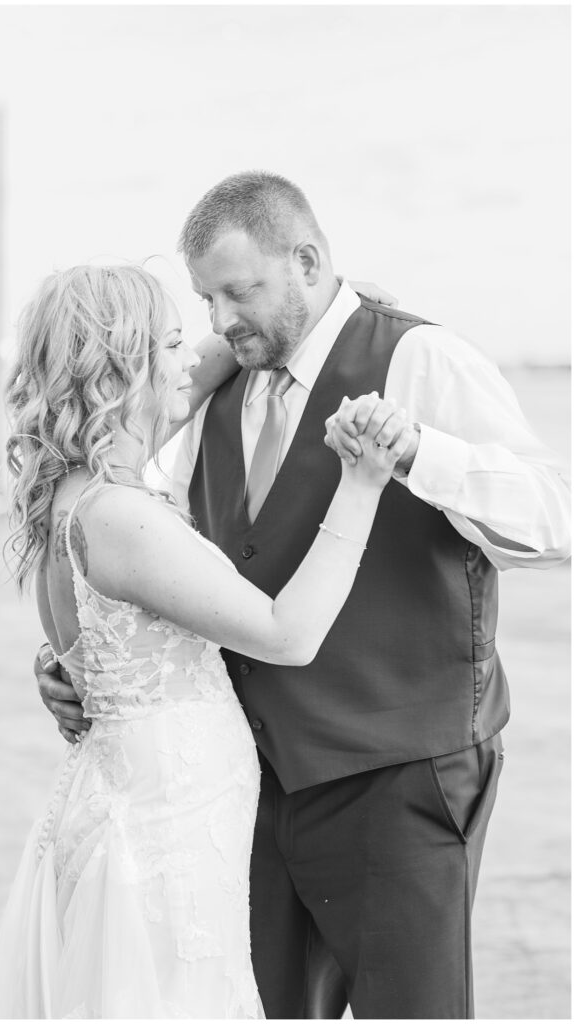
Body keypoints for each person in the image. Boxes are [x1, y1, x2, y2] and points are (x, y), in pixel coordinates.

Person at [36, 172, 570, 1019]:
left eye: (239, 292)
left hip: (397, 774)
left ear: (309, 261)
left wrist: (418, 453)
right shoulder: (210, 386)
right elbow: (142, 552)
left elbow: (556, 520)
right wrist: (84, 656)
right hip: (243, 788)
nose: (220, 320)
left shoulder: (418, 357)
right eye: (207, 299)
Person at [0, 262, 413, 1018]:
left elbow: (199, 374)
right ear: (122, 367)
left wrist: (329, 306)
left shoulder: (69, 489)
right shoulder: (121, 516)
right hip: (161, 825)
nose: (193, 358)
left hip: (131, 796)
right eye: (172, 343)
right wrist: (364, 480)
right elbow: (289, 633)